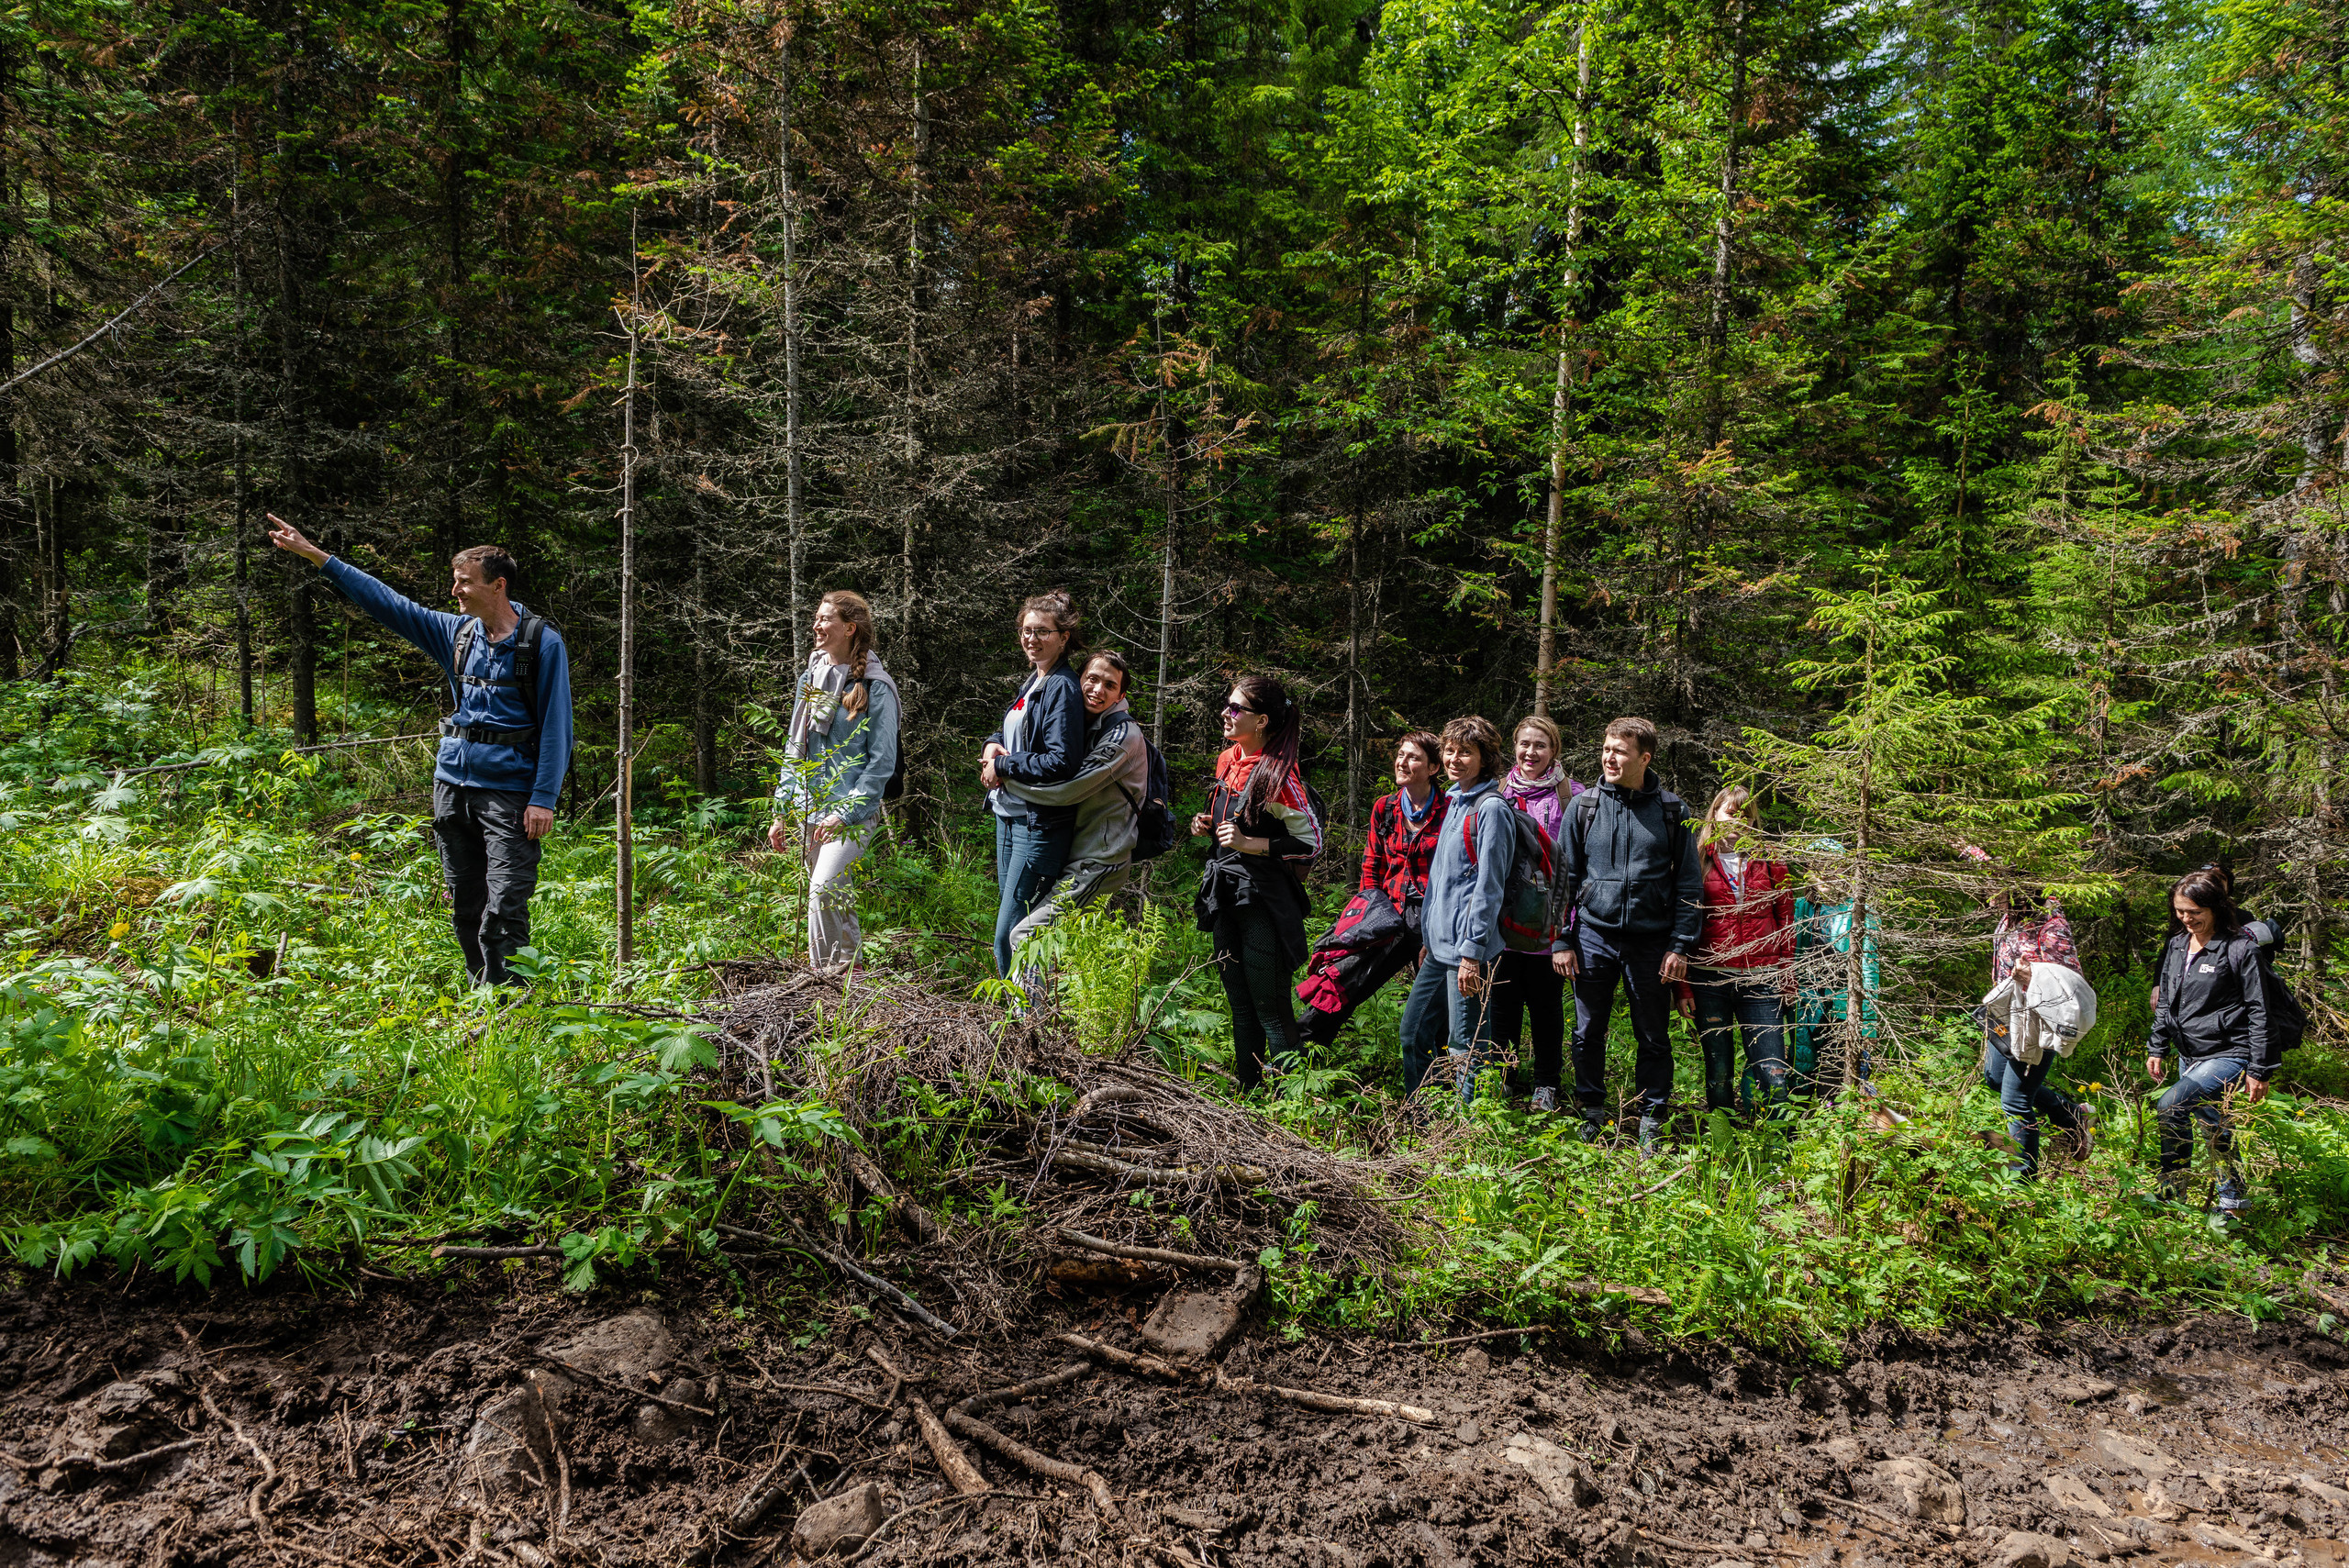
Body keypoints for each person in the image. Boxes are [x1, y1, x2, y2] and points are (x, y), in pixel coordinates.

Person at [263, 514, 573, 987]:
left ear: (498, 585)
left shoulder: (541, 644)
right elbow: (389, 603)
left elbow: (557, 728)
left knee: (506, 896)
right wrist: (317, 557)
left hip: (510, 793)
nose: (455, 592)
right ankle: (481, 989)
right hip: (452, 785)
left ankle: (510, 999)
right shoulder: (457, 633)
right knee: (464, 896)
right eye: (454, 582)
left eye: (464, 583)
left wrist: (543, 798)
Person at [1559, 717, 1703, 1146]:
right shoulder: (1583, 807)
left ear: (1645, 757)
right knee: (1587, 1031)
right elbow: (1564, 879)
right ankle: (1592, 1110)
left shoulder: (1673, 811)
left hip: (1651, 941)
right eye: (1606, 749)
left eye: (1619, 751)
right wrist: (1561, 939)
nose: (1609, 757)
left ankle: (1652, 1116)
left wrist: (1680, 946)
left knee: (1653, 1034)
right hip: (1592, 936)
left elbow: (1689, 886)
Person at [1192, 674, 1321, 1092]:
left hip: (1263, 899)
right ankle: (1247, 1095)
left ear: (1262, 720)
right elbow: (1229, 819)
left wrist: (1253, 843)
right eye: (1227, 706)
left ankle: (1294, 1105)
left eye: (1236, 709)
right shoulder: (1228, 760)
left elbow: (1311, 842)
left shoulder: (1279, 776)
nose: (1226, 714)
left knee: (1270, 1006)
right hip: (1224, 892)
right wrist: (1206, 825)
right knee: (1240, 1004)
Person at [767, 591, 899, 974]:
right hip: (811, 808)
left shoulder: (876, 687)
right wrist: (782, 810)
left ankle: (821, 980)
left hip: (852, 814)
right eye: (817, 618)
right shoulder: (812, 677)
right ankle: (852, 978)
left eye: (826, 619)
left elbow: (881, 764)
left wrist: (844, 814)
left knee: (823, 890)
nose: (817, 625)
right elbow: (797, 746)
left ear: (850, 628)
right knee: (836, 898)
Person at [1295, 732, 1449, 1053]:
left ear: (1434, 767)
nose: (1402, 762)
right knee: (1345, 981)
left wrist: (1440, 929)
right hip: (1388, 913)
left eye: (1413, 757)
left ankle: (1441, 1077)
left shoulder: (1450, 810)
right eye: (1401, 754)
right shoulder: (1386, 808)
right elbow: (1372, 863)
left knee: (1440, 1004)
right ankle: (1299, 1053)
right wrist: (1366, 914)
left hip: (1433, 917)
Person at [1398, 716, 1516, 1107]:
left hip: (1469, 952)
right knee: (1413, 1034)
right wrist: (1430, 940)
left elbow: (1489, 887)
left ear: (1486, 758)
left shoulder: (1491, 808)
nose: (1455, 758)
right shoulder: (1454, 802)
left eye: (1466, 752)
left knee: (1465, 1046)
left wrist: (1471, 953)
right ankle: (1421, 1116)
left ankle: (1467, 1134)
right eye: (1449, 750)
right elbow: (1443, 879)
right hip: (1439, 950)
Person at [1002, 651, 1150, 960]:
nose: (1098, 690)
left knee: (1026, 937)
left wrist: (1004, 775)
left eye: (1110, 685)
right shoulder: (1081, 723)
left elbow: (1068, 790)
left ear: (1121, 695)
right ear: (1078, 680)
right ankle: (1040, 1007)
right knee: (1046, 943)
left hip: (1099, 860)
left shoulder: (1124, 736)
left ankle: (1031, 1011)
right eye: (1092, 679)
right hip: (1071, 851)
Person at [2147, 869, 2277, 1213]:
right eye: (2180, 911)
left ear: (2216, 908)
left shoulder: (2239, 950)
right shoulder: (2177, 945)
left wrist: (2259, 1068)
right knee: (2214, 1126)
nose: (2186, 919)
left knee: (2170, 1106)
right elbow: (2166, 1001)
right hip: (2189, 1052)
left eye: (2194, 912)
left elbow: (2260, 1011)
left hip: (2229, 1053)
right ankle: (2234, 1200)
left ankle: (2171, 1196)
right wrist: (2157, 1046)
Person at [1968, 847, 2093, 1178]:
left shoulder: (2050, 928)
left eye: (1996, 890)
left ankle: (2024, 1181)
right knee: (1994, 1080)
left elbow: (2069, 984)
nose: (1989, 895)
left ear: (2018, 893)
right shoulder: (2013, 917)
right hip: (2004, 1018)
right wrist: (1961, 844)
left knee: (2015, 1102)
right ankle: (2070, 1114)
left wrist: (2032, 977)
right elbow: (1992, 863)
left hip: (2034, 1025)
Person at [979, 591, 1085, 977]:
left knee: (1011, 933)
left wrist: (1003, 765)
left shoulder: (1062, 687)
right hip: (1009, 817)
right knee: (1015, 930)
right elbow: (1017, 727)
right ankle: (1022, 1021)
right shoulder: (1036, 679)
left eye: (1042, 631)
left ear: (1064, 637)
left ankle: (1027, 1027)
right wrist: (992, 743)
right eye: (1026, 630)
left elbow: (1061, 760)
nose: (1031, 639)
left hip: (1037, 826)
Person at [1682, 785, 1796, 1113]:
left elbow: (1786, 919)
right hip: (1709, 980)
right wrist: (1682, 984)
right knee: (1718, 1070)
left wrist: (1787, 974)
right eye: (1731, 812)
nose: (1738, 820)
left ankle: (1777, 1147)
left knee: (1773, 1070)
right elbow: (1683, 922)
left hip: (1761, 979)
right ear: (1715, 814)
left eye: (1746, 814)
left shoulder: (1770, 860)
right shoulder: (1696, 858)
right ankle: (1723, 1142)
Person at [1488, 716, 1580, 1111]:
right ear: (1515, 746)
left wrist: (1567, 932)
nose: (1530, 752)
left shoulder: (1572, 796)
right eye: (1524, 744)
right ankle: (1503, 1077)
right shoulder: (1497, 792)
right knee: (1502, 1006)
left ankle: (1547, 1083)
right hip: (1504, 921)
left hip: (1548, 925)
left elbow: (1577, 868)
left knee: (1545, 1010)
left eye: (1540, 745)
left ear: (1554, 751)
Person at [1790, 840, 1878, 1092]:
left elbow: (1868, 969)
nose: (1826, 873)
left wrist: (1867, 1021)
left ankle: (1835, 1125)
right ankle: (1800, 1128)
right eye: (1818, 867)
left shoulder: (1859, 912)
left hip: (1842, 1006)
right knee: (1802, 1074)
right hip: (1805, 1006)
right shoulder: (1800, 908)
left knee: (1837, 1078)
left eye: (1834, 866)